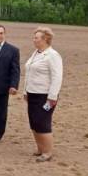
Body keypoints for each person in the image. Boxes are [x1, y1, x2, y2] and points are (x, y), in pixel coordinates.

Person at [24, 26, 63, 162]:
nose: (33, 40)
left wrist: (52, 97)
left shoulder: (53, 55)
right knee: (34, 122)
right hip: (32, 93)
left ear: (45, 39)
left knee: (42, 123)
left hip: (45, 96)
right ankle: (40, 148)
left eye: (36, 37)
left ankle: (47, 152)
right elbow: (29, 73)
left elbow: (57, 77)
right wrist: (25, 91)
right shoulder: (36, 53)